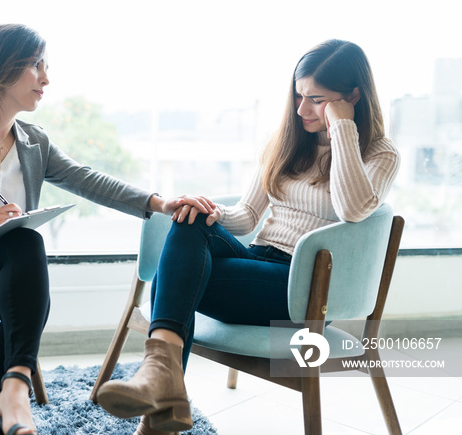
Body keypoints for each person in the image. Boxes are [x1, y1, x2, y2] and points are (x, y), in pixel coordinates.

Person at [0, 24, 210, 435]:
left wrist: (160, 203)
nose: (46, 78)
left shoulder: (32, 142)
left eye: (46, 66)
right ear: (2, 69)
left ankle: (8, 403)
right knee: (24, 270)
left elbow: (87, 179)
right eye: (36, 65)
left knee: (23, 251)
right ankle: (9, 404)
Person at [96, 39, 401, 435]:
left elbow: (353, 208)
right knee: (189, 223)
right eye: (298, 96)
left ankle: (161, 398)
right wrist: (214, 213)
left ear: (352, 96)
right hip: (257, 260)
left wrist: (341, 127)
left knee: (171, 282)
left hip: (306, 291)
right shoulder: (287, 142)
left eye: (316, 99)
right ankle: (162, 382)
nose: (301, 109)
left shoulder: (379, 153)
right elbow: (248, 215)